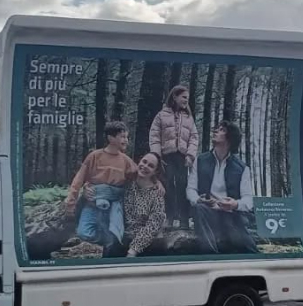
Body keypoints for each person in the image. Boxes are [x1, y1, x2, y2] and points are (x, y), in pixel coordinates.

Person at [65, 121, 136, 256]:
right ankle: (107, 241)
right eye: (122, 137)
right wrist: (71, 203)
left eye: (127, 137)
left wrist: (157, 183)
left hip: (113, 207)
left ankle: (110, 249)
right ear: (110, 138)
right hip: (92, 203)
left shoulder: (126, 161)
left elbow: (140, 177)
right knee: (83, 233)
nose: (126, 140)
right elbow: (78, 180)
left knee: (113, 236)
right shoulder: (94, 156)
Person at [186, 120, 258, 254]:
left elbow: (248, 200)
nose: (215, 131)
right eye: (216, 129)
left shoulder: (242, 168)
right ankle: (210, 257)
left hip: (230, 216)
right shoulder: (200, 160)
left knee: (248, 249)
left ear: (230, 138)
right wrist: (198, 199)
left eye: (221, 130)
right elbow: (191, 189)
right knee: (198, 208)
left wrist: (234, 204)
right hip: (208, 213)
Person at [85, 152, 167, 257]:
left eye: (150, 166)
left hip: (143, 241)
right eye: (144, 162)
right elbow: (104, 182)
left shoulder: (157, 194)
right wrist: (87, 188)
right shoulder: (126, 181)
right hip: (119, 235)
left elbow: (153, 226)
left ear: (155, 172)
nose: (145, 166)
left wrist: (134, 250)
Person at [148, 84, 199, 229]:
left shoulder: (189, 117)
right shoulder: (161, 115)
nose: (186, 101)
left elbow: (194, 137)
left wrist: (190, 155)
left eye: (187, 98)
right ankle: (168, 218)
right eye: (183, 97)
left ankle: (184, 220)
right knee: (167, 186)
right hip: (166, 157)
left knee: (183, 187)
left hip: (182, 158)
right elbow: (154, 136)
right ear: (174, 96)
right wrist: (157, 155)